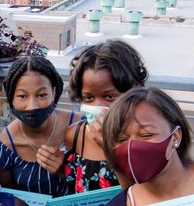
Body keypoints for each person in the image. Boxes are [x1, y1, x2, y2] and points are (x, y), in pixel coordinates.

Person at [62, 40, 149, 193]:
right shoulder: (74, 136)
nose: (97, 107)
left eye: (110, 97)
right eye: (88, 98)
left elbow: (143, 196)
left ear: (132, 93)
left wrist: (113, 151)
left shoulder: (145, 140)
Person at [0, 56, 77, 196]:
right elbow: (9, 196)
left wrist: (65, 171)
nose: (32, 106)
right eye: (22, 96)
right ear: (11, 98)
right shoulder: (4, 147)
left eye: (41, 95)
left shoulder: (80, 127)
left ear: (54, 92)